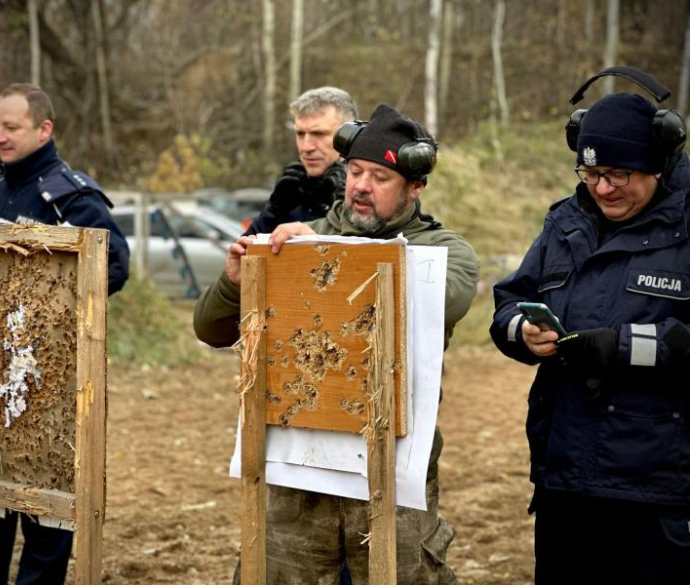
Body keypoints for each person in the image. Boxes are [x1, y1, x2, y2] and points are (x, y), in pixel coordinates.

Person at [195, 103, 479, 584]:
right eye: (356, 172)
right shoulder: (300, 237)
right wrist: (235, 282)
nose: (361, 187)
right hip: (298, 467)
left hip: (393, 473)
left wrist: (323, 255)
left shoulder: (447, 253)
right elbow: (211, 329)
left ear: (416, 187)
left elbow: (433, 303)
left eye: (380, 177)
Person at [490, 76, 690, 584]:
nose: (602, 187)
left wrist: (620, 348)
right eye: (592, 171)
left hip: (657, 487)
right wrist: (521, 332)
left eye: (619, 173)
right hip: (565, 477)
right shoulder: (564, 222)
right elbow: (511, 300)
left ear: (660, 163)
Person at [0, 83, 129, 584]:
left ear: (44, 129)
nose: (0, 136)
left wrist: (44, 311)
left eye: (11, 127)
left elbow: (113, 263)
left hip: (51, 388)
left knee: (47, 527)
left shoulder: (72, 197)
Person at [245, 86, 357, 235]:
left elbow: (369, 255)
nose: (306, 147)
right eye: (300, 134)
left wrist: (345, 205)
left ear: (349, 136)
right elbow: (246, 254)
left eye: (319, 134)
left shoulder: (374, 188)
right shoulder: (293, 189)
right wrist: (273, 211)